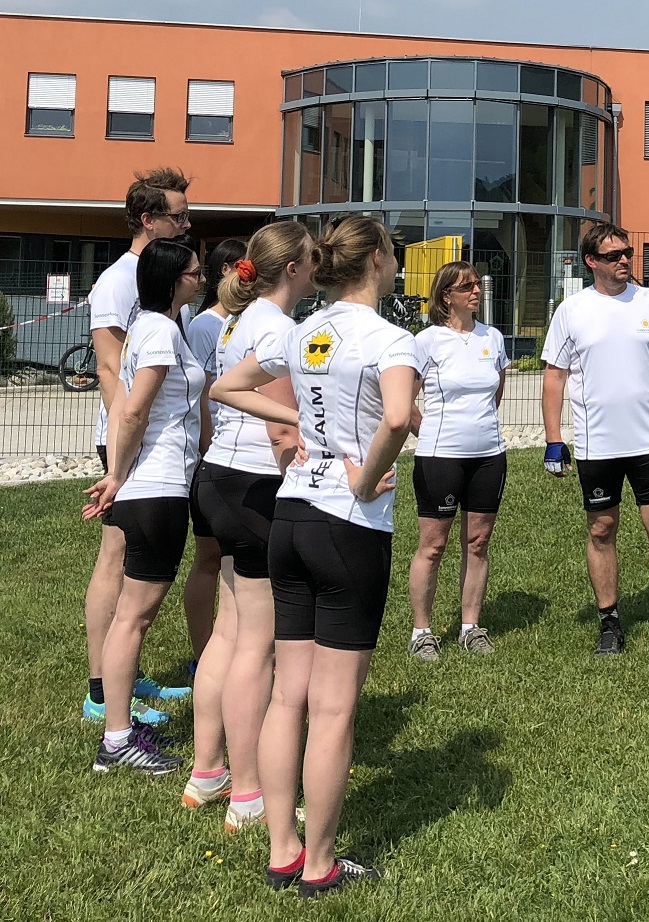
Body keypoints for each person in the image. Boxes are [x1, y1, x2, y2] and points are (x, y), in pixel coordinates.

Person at [211, 215, 416, 898]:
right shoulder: (391, 338)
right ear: (381, 260)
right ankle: (321, 866)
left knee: (286, 697)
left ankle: (281, 850)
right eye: (394, 252)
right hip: (347, 527)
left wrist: (302, 429)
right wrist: (361, 475)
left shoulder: (304, 331)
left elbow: (226, 389)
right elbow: (396, 419)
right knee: (332, 710)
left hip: (290, 518)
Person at [183, 223, 314, 834]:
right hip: (256, 486)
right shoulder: (281, 329)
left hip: (218, 481)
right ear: (292, 269)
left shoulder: (238, 319)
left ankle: (207, 770)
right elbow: (284, 431)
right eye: (312, 259)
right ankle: (249, 791)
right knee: (256, 646)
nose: (317, 267)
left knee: (230, 633)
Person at [541, 221, 649, 661]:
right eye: (613, 255)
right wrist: (554, 440)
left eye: (627, 252)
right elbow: (554, 378)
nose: (625, 260)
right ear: (592, 261)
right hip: (596, 446)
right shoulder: (572, 311)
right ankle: (609, 623)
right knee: (602, 529)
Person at [84, 237, 207, 775]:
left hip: (147, 488)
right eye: (196, 272)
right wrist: (116, 474)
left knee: (131, 617)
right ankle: (116, 739)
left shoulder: (151, 329)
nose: (202, 279)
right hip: (154, 491)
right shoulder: (158, 331)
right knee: (134, 618)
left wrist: (118, 477)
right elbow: (132, 412)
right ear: (174, 279)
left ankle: (118, 729)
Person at [406, 261, 509, 662]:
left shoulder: (493, 337)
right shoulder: (427, 341)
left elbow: (495, 392)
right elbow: (405, 400)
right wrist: (428, 433)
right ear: (446, 295)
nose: (476, 292)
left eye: (478, 285)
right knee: (433, 546)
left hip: (488, 456)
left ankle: (470, 626)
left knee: (478, 543)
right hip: (439, 457)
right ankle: (422, 631)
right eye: (466, 287)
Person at [182, 238, 246, 673]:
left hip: (238, 450)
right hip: (215, 451)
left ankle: (232, 645)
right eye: (245, 270)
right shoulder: (206, 325)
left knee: (233, 559)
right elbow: (203, 391)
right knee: (210, 555)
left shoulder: (245, 322)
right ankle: (204, 652)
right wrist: (207, 448)